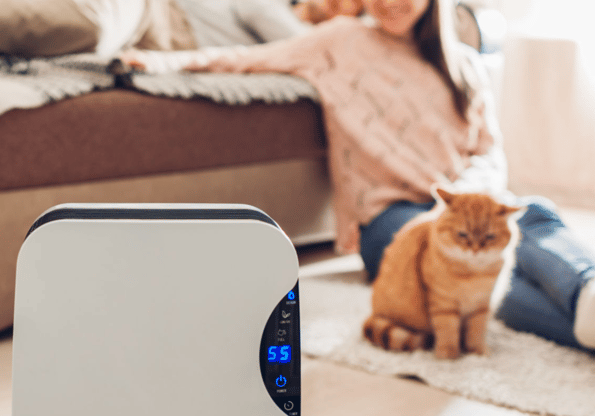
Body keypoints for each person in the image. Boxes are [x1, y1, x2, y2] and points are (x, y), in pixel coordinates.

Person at [124, 0, 595, 351]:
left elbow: (490, 155)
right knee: (457, 277)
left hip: (462, 203)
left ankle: (587, 296)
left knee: (532, 214)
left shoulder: (465, 66)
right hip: (392, 218)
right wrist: (162, 62)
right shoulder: (340, 41)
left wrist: (465, 197)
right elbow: (248, 59)